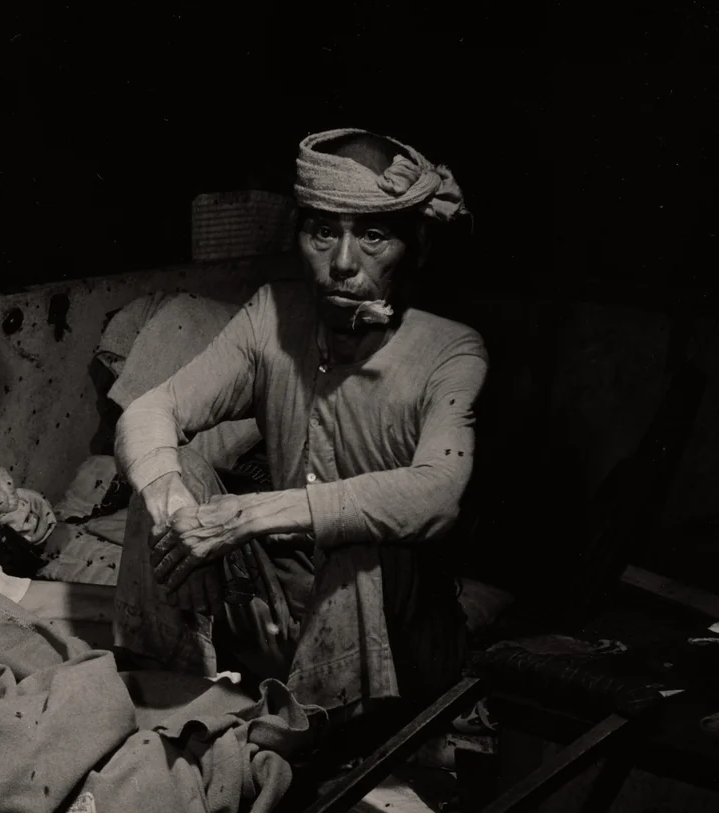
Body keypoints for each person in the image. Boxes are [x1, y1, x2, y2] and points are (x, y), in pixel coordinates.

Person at [113, 128, 488, 720]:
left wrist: (246, 516)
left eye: (372, 237)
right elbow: (151, 409)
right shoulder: (272, 316)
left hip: (391, 638)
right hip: (274, 612)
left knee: (361, 532)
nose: (342, 264)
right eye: (322, 234)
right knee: (167, 470)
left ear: (413, 246)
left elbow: (436, 493)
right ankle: (170, 697)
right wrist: (177, 516)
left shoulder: (449, 350)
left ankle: (314, 737)